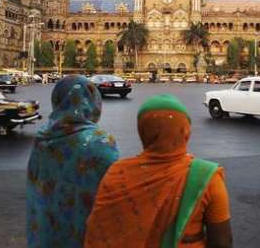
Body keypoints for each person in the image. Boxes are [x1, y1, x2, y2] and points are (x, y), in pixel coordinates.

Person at [85, 94, 233, 248]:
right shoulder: (207, 177)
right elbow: (222, 242)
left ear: (143, 131)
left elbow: (100, 232)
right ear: (186, 131)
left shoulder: (117, 173)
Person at [26, 75, 119, 248]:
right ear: (92, 101)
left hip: (48, 231)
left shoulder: (43, 138)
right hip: (84, 234)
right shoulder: (100, 142)